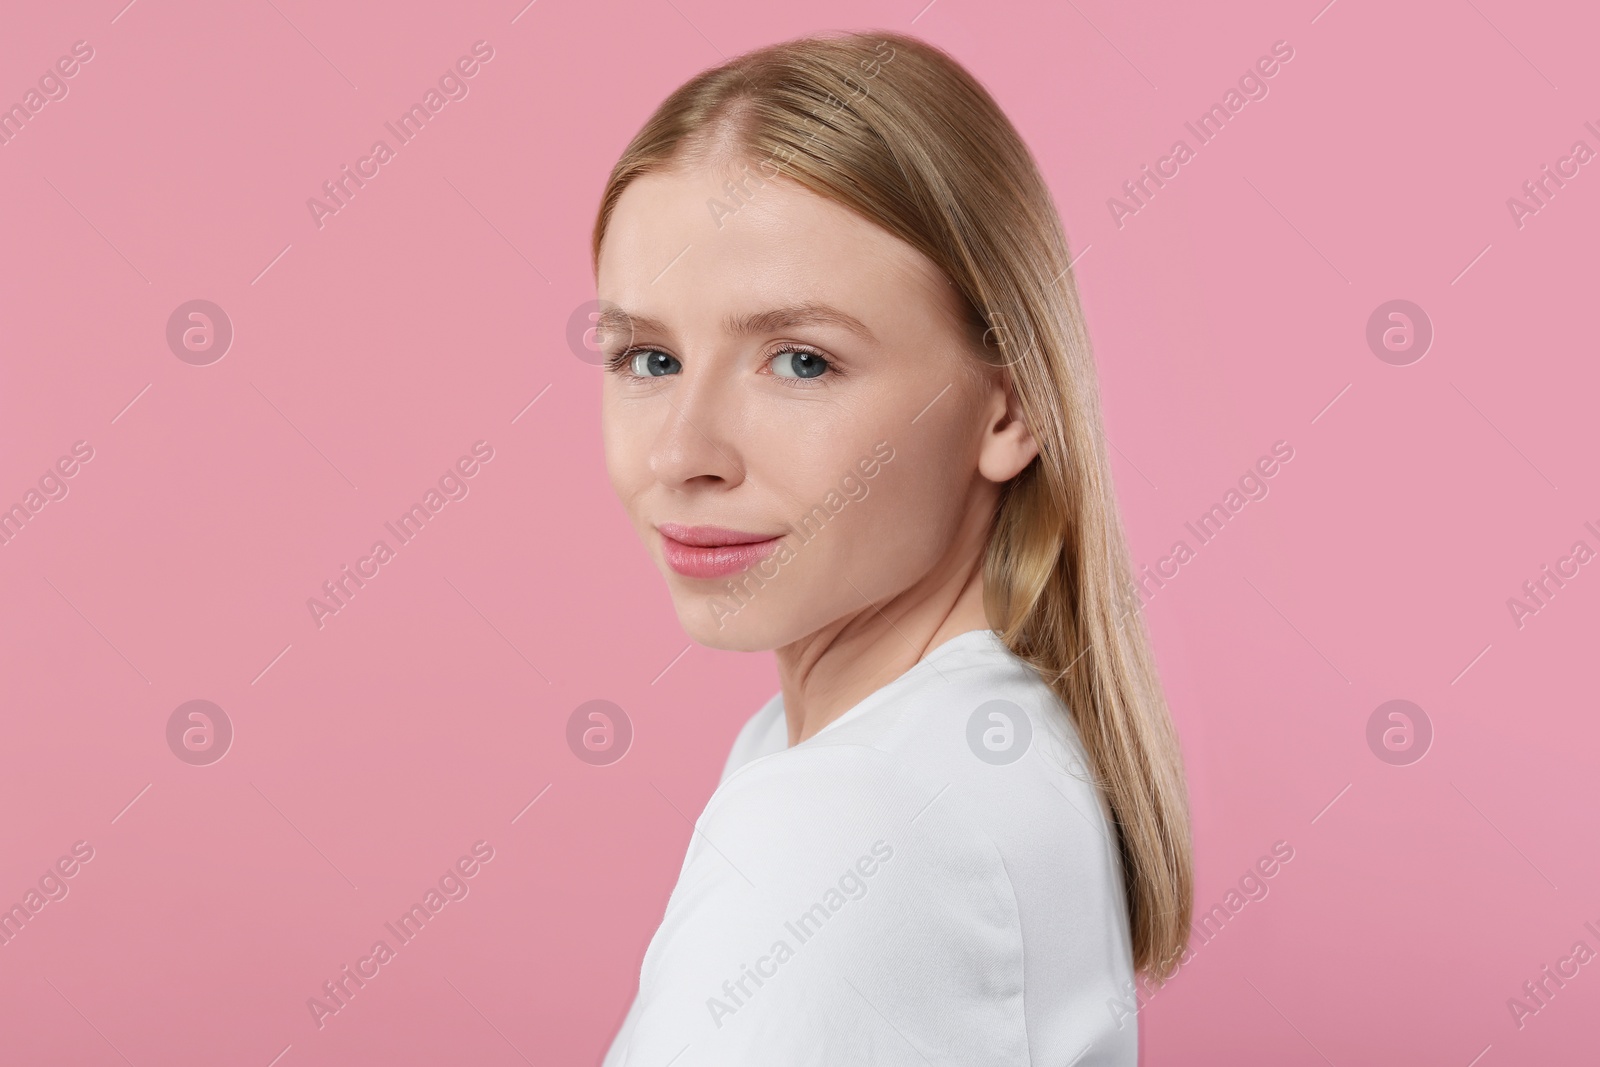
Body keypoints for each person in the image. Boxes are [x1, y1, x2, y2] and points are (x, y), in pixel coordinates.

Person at [590, 29, 1192, 1066]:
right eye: (648, 355)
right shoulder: (929, 742)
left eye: (801, 360)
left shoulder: (848, 820)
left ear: (1010, 406)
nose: (682, 451)